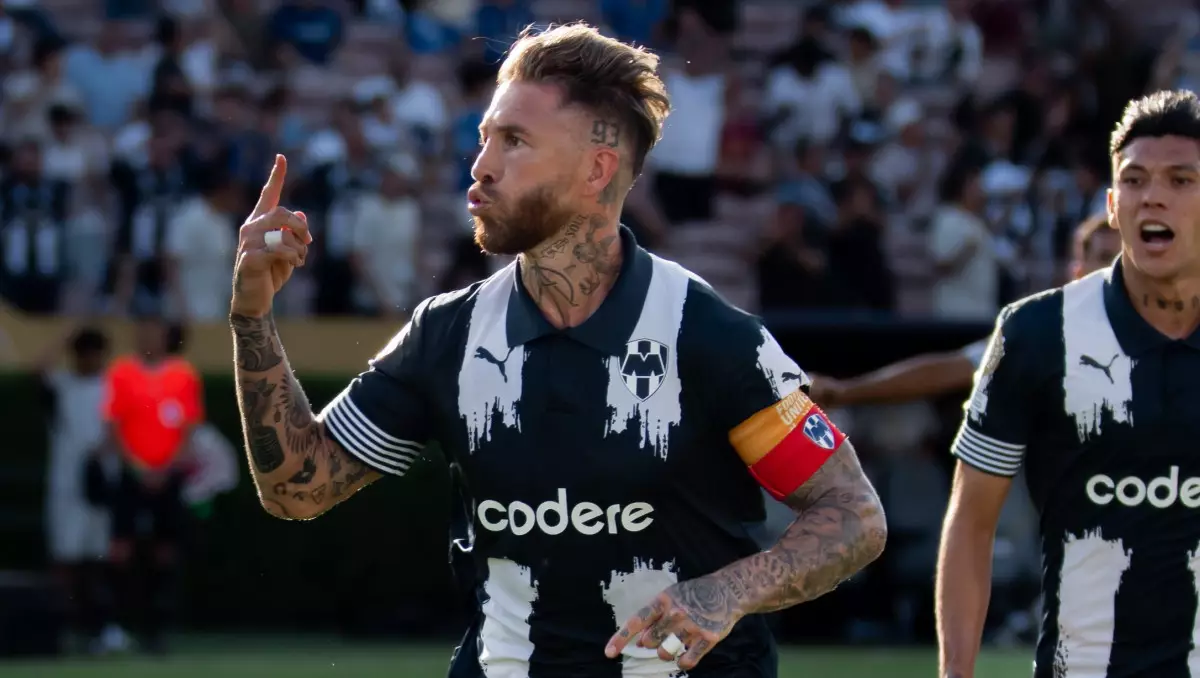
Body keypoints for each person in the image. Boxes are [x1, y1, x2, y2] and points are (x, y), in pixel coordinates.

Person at [228, 23, 887, 677]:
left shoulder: (709, 335)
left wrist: (726, 592)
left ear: (597, 169)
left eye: (514, 142)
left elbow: (854, 515)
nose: (481, 166)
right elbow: (296, 488)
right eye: (485, 138)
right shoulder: (447, 335)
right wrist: (253, 316)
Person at [938, 89, 1200, 678]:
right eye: (1134, 180)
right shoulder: (1037, 333)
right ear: (1112, 205)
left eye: (1181, 180)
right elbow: (971, 522)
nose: (1153, 196)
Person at [808, 214, 1122, 408]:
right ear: (1078, 271)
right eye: (1106, 257)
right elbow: (952, 369)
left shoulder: (1153, 329)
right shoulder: (1046, 330)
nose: (1116, 268)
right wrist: (847, 392)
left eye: (1125, 257)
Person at [102, 311, 204, 653]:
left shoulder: (183, 375)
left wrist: (165, 469)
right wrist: (138, 467)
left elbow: (189, 429)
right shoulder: (121, 372)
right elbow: (113, 425)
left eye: (155, 330)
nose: (148, 337)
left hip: (168, 478)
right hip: (131, 477)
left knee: (165, 552)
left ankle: (157, 629)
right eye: (143, 330)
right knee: (121, 549)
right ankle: (114, 626)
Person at [37, 324, 125, 653]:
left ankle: (99, 629)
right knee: (65, 560)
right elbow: (38, 369)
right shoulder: (63, 385)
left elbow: (121, 429)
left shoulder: (113, 387)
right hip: (66, 488)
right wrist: (65, 336)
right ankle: (59, 629)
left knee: (98, 561)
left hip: (101, 489)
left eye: (96, 354)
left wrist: (105, 451)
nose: (92, 360)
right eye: (85, 354)